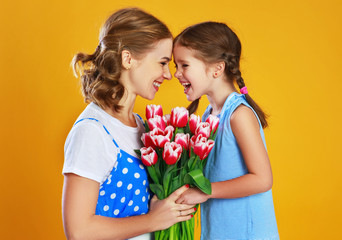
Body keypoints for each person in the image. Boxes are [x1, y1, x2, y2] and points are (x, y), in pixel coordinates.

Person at [62, 8, 195, 240]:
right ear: (128, 59)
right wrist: (153, 220)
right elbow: (79, 231)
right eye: (162, 63)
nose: (168, 74)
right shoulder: (92, 131)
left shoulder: (142, 126)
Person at [173, 22, 279, 240]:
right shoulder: (208, 115)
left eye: (184, 65)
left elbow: (262, 180)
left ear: (217, 69)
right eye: (176, 65)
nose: (176, 73)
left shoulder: (239, 115)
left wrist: (203, 191)